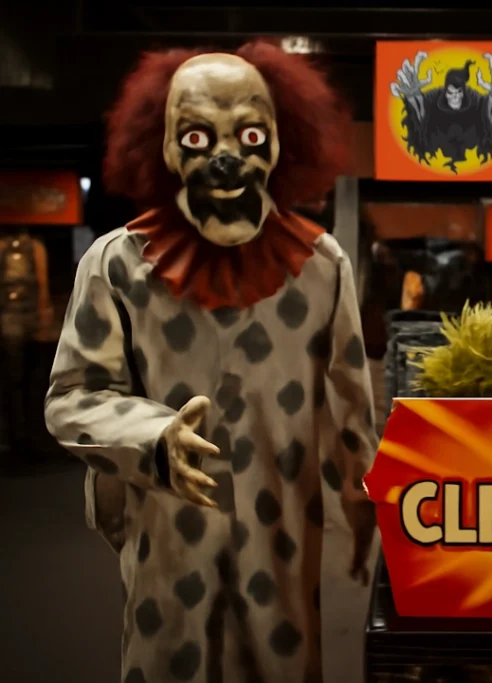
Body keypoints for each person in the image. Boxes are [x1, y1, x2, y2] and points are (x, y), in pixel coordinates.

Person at [44, 41, 377, 683]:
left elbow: (350, 410)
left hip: (285, 530)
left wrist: (365, 512)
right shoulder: (118, 264)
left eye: (249, 133)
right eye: (196, 136)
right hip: (167, 532)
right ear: (166, 148)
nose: (226, 156)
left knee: (281, 662)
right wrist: (149, 436)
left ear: (280, 142)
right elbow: (72, 396)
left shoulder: (322, 266)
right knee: (169, 659)